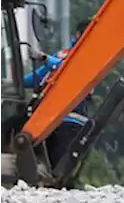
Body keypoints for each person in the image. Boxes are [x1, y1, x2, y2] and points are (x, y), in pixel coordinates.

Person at [25, 20, 94, 171]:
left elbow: (71, 72)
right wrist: (13, 82)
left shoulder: (92, 59)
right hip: (48, 122)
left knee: (60, 169)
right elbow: (36, 78)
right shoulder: (63, 55)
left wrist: (46, 58)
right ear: (78, 35)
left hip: (71, 123)